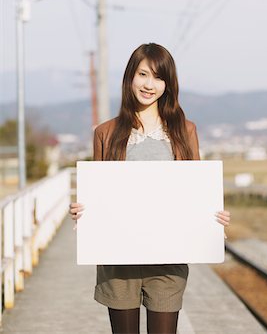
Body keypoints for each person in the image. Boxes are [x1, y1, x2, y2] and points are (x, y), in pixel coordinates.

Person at [69, 43, 230, 334]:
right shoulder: (105, 133)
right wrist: (84, 210)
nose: (149, 84)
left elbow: (196, 191)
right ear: (130, 77)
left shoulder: (184, 130)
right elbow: (99, 191)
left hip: (168, 259)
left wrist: (213, 217)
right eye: (143, 74)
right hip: (118, 260)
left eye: (158, 77)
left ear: (167, 84)